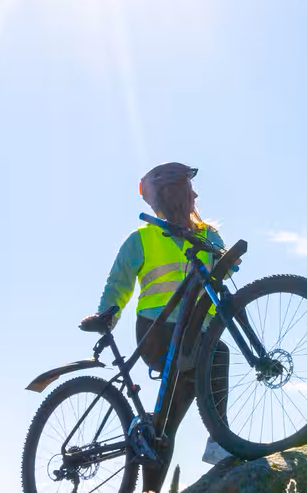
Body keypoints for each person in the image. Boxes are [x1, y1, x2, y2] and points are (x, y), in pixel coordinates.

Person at [78, 162, 233, 471]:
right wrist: (107, 314)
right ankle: (221, 439)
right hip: (157, 334)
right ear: (174, 193)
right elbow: (118, 282)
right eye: (190, 189)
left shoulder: (209, 237)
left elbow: (222, 272)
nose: (196, 195)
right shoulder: (143, 238)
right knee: (219, 354)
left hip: (195, 335)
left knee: (163, 431)